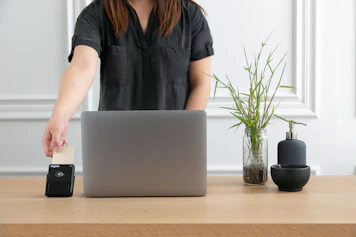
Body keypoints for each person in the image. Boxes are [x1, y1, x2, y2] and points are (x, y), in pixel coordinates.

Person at [42, 0, 214, 157]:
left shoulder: (190, 15)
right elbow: (82, 66)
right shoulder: (96, 13)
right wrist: (60, 116)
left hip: (174, 147)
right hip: (114, 148)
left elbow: (201, 82)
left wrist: (184, 136)